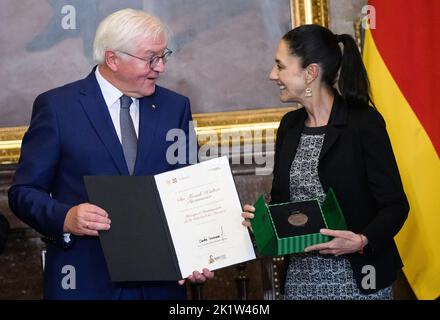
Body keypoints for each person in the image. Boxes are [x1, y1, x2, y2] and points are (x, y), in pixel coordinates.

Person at [8, 8, 213, 300]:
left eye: (163, 55)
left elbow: (189, 189)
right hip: (84, 281)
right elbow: (24, 192)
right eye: (150, 58)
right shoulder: (57, 107)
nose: (161, 67)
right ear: (113, 59)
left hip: (159, 285)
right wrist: (65, 217)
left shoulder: (175, 107)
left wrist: (200, 251)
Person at [242, 24, 409, 300]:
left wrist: (361, 241)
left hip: (360, 282)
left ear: (310, 73)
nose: (273, 75)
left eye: (280, 66)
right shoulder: (290, 126)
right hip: (301, 284)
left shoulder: (363, 123)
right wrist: (261, 220)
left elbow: (395, 206)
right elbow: (286, 205)